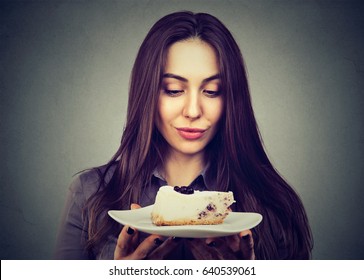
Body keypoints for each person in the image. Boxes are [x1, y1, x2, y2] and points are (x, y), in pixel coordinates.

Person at [54, 11, 313, 260]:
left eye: (211, 91)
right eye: (174, 90)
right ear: (148, 95)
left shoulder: (275, 203)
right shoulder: (90, 194)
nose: (192, 111)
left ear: (232, 99)